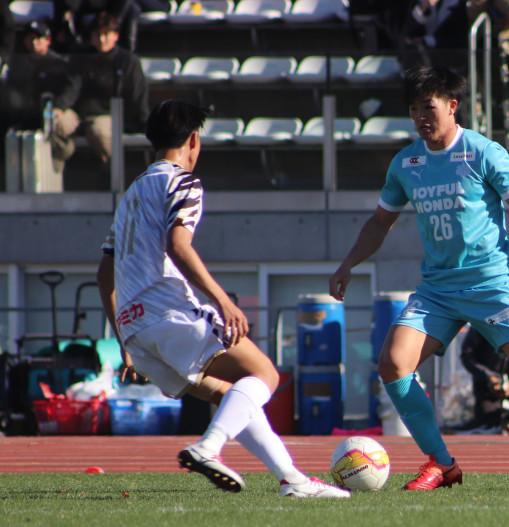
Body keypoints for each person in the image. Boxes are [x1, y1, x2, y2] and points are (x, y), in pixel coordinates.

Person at [328, 65, 509, 492]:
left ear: (452, 105)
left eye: (427, 107)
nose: (420, 117)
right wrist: (347, 264)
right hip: (437, 291)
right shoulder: (406, 163)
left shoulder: (484, 152)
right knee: (392, 365)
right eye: (413, 109)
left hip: (491, 286)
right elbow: (379, 222)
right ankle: (442, 464)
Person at [96, 100, 350, 499]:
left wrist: (123, 340)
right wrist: (223, 301)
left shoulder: (129, 196)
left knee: (225, 393)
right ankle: (209, 447)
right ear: (193, 140)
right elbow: (178, 245)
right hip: (169, 312)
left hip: (134, 328)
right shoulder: (182, 182)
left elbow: (103, 274)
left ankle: (292, 480)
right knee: (264, 374)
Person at [455, 273, 509, 434]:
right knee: (488, 425)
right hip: (487, 389)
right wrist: (489, 377)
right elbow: (467, 356)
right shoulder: (485, 319)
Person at [69, 12, 148, 166]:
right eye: (97, 34)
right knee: (56, 123)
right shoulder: (81, 59)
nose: (101, 39)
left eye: (106, 34)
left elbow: (137, 95)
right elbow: (71, 89)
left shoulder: (128, 61)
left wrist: (141, 123)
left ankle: (119, 171)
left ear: (116, 35)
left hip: (112, 116)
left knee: (98, 131)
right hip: (82, 115)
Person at [3, 21, 81, 173]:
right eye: (30, 38)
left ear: (48, 40)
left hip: (57, 111)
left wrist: (59, 106)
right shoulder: (19, 65)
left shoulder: (60, 64)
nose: (34, 42)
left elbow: (72, 89)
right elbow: (13, 94)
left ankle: (56, 167)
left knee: (58, 124)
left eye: (38, 38)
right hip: (29, 114)